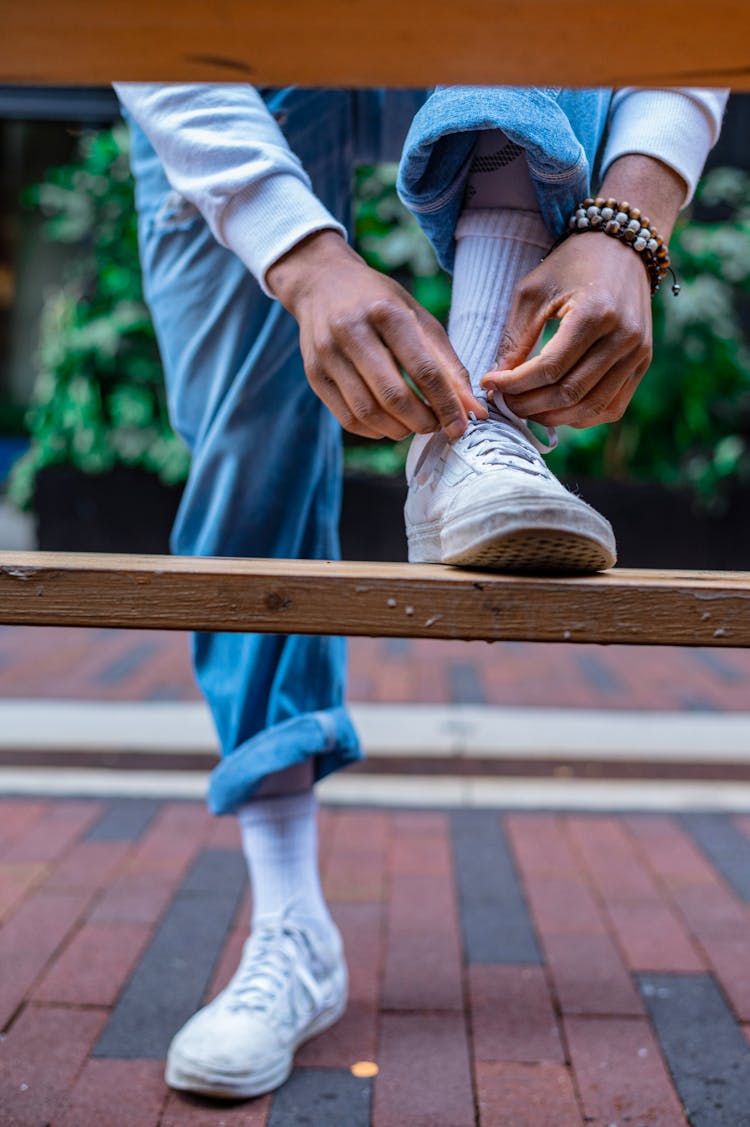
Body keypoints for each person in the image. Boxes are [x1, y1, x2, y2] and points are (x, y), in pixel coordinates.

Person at [113, 81, 726, 1099]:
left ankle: (475, 434)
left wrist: (630, 221)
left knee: (538, 18)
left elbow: (685, 24)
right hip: (226, 51)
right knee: (242, 445)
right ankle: (291, 924)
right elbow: (142, 35)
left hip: (503, 50)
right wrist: (304, 264)